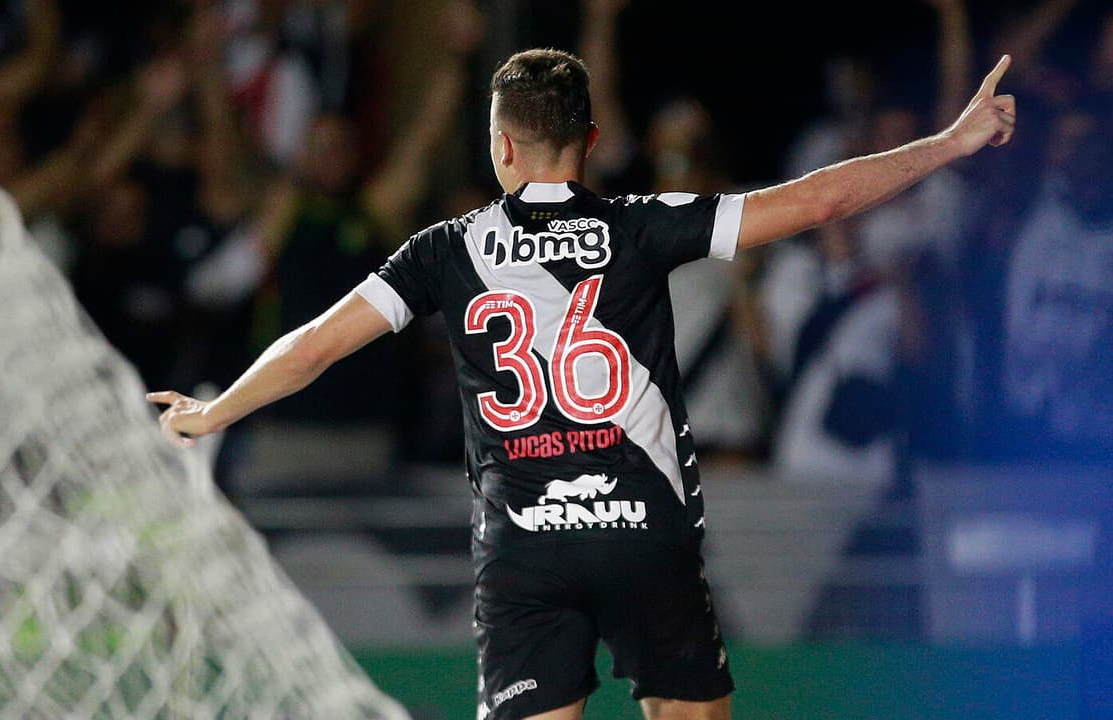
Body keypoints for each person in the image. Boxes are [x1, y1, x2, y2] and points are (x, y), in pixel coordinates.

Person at [149, 48, 1015, 720]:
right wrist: (948, 143)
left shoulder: (446, 250)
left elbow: (312, 348)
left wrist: (215, 410)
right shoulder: (643, 225)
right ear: (591, 143)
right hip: (648, 537)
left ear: (500, 144)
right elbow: (819, 203)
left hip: (527, 551)